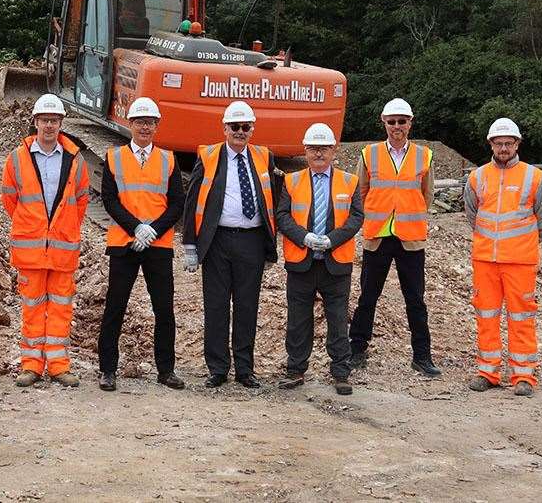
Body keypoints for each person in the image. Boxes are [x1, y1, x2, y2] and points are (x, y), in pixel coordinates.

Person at [183, 100, 279, 389]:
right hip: (218, 240)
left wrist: (271, 243)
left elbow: (272, 197)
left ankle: (245, 369)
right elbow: (193, 200)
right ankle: (218, 367)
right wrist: (190, 243)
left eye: (245, 127)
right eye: (234, 127)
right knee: (216, 305)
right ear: (224, 128)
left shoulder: (264, 156)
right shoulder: (209, 155)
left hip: (252, 240)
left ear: (252, 129)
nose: (240, 132)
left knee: (247, 306)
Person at [348, 98, 441, 377]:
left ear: (410, 123)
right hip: (377, 236)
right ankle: (357, 350)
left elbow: (427, 194)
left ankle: (422, 356)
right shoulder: (369, 154)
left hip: (410, 238)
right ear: (384, 122)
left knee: (415, 299)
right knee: (368, 296)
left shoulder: (424, 155)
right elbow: (360, 193)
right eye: (392, 121)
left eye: (402, 121)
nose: (397, 126)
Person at [1, 94, 90, 387]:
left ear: (61, 123)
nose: (49, 125)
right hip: (31, 250)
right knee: (32, 308)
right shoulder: (18, 158)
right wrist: (33, 226)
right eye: (44, 120)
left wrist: (62, 230)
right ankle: (31, 365)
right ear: (35, 123)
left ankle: (59, 365)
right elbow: (10, 199)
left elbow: (80, 201)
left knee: (61, 308)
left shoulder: (75, 159)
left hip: (62, 249)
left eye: (54, 120)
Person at [97, 97, 185, 391]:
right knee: (115, 308)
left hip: (158, 246)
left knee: (164, 309)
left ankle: (166, 370)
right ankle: (107, 370)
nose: (145, 127)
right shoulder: (114, 157)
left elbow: (176, 204)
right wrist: (136, 228)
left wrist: (153, 231)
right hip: (124, 244)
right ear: (130, 124)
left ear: (157, 126)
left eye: (150, 122)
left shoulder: (169, 159)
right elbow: (109, 199)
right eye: (140, 122)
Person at [463, 118, 542, 396]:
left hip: (520, 262)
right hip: (485, 260)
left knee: (521, 317)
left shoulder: (534, 177)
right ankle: (487, 371)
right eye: (498, 143)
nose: (503, 147)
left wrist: (522, 244)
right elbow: (472, 215)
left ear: (517, 144)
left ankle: (523, 376)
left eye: (508, 143)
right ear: (491, 144)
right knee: (486, 316)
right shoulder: (477, 177)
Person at [275, 124, 364, 395]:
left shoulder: (349, 181)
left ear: (333, 150)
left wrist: (332, 239)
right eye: (313, 148)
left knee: (337, 320)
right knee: (298, 319)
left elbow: (356, 217)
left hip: (335, 263)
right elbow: (282, 216)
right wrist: (303, 237)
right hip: (301, 262)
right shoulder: (292, 181)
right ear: (305, 150)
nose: (318, 153)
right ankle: (296, 369)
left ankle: (340, 372)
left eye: (323, 148)